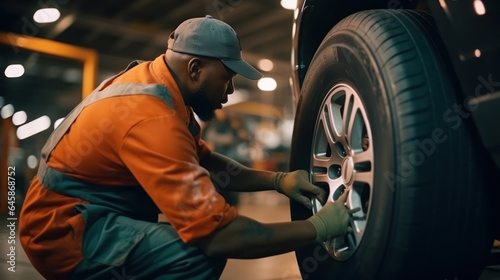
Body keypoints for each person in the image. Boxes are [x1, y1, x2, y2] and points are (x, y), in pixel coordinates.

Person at [19, 15, 355, 280]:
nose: (229, 91)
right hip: (63, 233)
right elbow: (220, 236)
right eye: (226, 78)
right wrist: (317, 228)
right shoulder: (150, 117)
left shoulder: (160, 89)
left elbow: (207, 162)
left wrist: (277, 180)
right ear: (195, 68)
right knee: (197, 256)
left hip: (94, 215)